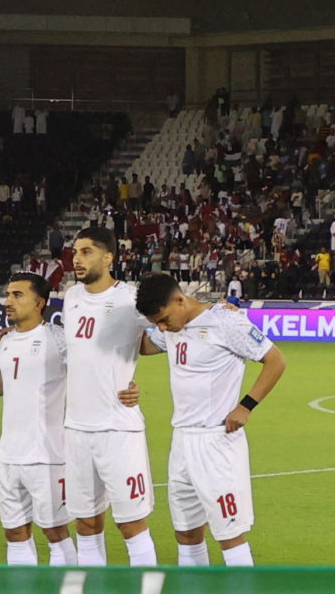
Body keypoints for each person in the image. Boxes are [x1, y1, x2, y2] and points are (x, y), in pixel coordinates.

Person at [136, 273, 286, 567]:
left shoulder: (226, 322)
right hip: (181, 440)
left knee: (229, 534)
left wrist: (246, 406)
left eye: (164, 319)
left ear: (180, 299)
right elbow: (143, 345)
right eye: (157, 323)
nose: (162, 328)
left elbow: (276, 360)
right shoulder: (170, 328)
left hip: (216, 442)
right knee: (186, 533)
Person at [62, 227, 158, 566]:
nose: (77, 258)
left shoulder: (131, 298)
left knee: (131, 522)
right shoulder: (72, 296)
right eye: (75, 252)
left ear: (109, 257)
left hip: (117, 428)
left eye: (86, 252)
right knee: (86, 523)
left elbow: (161, 335)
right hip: (76, 428)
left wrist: (130, 379)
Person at [0, 272, 77, 565]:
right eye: (8, 294)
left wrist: (127, 387)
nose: (8, 301)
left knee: (56, 532)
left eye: (18, 295)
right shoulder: (5, 341)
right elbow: (12, 382)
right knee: (15, 534)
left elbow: (90, 370)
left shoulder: (58, 339)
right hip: (9, 455)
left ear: (39, 302)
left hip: (47, 455)